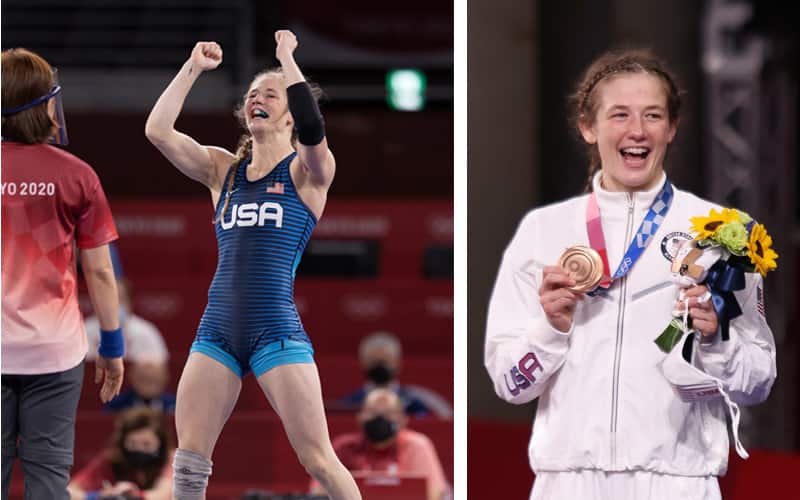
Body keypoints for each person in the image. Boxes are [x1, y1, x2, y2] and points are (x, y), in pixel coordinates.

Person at [484, 48, 776, 500]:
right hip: (568, 482)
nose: (637, 131)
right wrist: (550, 330)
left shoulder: (724, 232)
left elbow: (759, 382)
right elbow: (509, 384)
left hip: (679, 483)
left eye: (653, 115)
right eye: (619, 115)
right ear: (588, 127)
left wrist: (718, 341)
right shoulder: (543, 232)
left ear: (672, 128)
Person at [144, 31, 361, 500]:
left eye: (270, 95)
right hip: (217, 331)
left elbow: (314, 130)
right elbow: (157, 131)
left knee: (318, 458)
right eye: (251, 96)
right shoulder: (223, 171)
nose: (256, 100)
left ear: (288, 114)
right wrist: (193, 68)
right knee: (188, 464)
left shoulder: (308, 173)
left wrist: (286, 59)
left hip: (274, 329)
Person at [1, 48, 125, 500]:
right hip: (54, 353)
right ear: (41, 106)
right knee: (49, 480)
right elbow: (101, 272)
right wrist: (111, 347)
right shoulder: (78, 176)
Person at [311, 388, 449, 500]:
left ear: (403, 420)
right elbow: (318, 494)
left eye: (388, 413)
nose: (380, 418)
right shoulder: (343, 447)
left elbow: (433, 495)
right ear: (359, 418)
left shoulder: (417, 446)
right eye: (372, 412)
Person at [338, 331, 453, 418]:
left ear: (398, 364)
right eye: (374, 361)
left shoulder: (414, 404)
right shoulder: (350, 404)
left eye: (385, 361)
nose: (380, 367)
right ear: (363, 364)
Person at [68, 407, 174, 500]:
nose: (139, 449)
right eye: (132, 444)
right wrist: (97, 496)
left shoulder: (171, 460)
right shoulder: (111, 459)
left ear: (161, 443)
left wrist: (136, 496)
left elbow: (164, 495)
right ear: (122, 443)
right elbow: (69, 491)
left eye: (146, 444)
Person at [84, 279, 169, 365]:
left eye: (120, 299)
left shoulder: (146, 331)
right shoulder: (85, 331)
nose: (114, 304)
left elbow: (162, 370)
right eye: (108, 298)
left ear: (129, 302)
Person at [104, 361, 176, 415]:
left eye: (154, 379)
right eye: (143, 378)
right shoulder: (117, 406)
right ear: (132, 377)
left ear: (166, 378)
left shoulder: (176, 405)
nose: (148, 383)